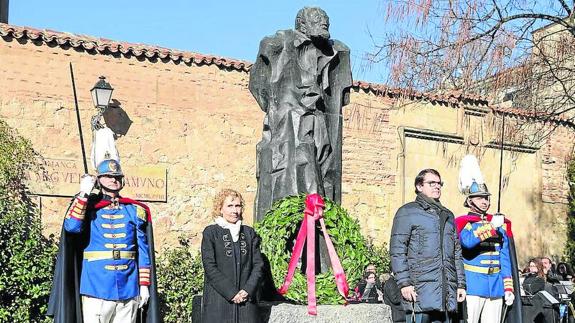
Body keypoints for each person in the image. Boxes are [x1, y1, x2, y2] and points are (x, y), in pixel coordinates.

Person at [249, 6, 353, 221]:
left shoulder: (333, 51)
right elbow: (258, 84)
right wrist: (278, 106)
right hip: (291, 118)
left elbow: (340, 96)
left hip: (319, 117)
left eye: (326, 19)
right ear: (301, 24)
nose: (324, 21)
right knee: (299, 167)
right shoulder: (281, 42)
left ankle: (322, 222)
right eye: (318, 18)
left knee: (325, 166)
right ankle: (301, 219)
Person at [48, 159, 160, 323]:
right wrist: (84, 193)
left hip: (129, 286)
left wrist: (144, 285)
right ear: (98, 180)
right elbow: (71, 227)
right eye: (108, 176)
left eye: (116, 176)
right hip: (97, 286)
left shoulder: (134, 209)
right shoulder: (88, 207)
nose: (113, 180)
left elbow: (143, 251)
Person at [390, 168, 466, 322]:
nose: (437, 186)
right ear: (419, 186)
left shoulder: (448, 215)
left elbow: (456, 253)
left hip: (445, 293)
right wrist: (404, 283)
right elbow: (397, 250)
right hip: (419, 291)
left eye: (439, 183)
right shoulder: (408, 211)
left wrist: (461, 284)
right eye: (432, 183)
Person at [454, 154, 517, 323]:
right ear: (469, 200)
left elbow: (504, 258)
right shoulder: (463, 223)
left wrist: (508, 287)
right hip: (473, 284)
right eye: (480, 197)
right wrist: (491, 228)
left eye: (486, 198)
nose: (485, 201)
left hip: (495, 286)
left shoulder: (496, 223)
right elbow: (467, 243)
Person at [201, 189, 265, 323]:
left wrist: (247, 290)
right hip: (219, 302)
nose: (235, 210)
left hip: (246, 303)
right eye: (230, 206)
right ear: (220, 209)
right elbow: (210, 266)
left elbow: (258, 264)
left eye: (238, 206)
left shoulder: (249, 233)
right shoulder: (211, 233)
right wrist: (231, 293)